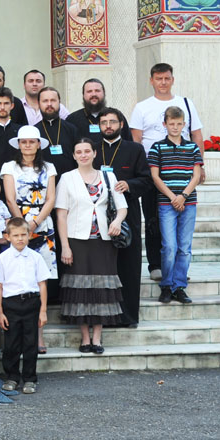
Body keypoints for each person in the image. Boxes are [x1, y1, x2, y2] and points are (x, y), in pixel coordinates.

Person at [130, 63, 203, 281]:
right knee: (153, 219)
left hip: (181, 169)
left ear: (172, 79)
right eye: (159, 78)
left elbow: (196, 134)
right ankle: (156, 265)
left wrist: (202, 166)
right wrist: (142, 170)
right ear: (151, 80)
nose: (163, 82)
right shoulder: (142, 107)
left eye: (167, 78)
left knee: (180, 223)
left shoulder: (186, 104)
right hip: (153, 170)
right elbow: (136, 139)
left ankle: (178, 270)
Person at [56, 140, 128, 355]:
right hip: (77, 240)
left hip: (104, 242)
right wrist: (65, 247)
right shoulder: (67, 179)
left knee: (101, 289)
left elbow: (122, 207)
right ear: (74, 155)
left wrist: (116, 222)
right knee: (80, 290)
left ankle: (97, 337)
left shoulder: (108, 176)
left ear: (95, 153)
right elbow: (61, 214)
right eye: (79, 152)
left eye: (87, 151)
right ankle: (84, 338)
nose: (83, 155)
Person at [95, 108, 150, 324]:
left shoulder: (134, 149)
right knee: (103, 265)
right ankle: (105, 315)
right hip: (98, 212)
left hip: (128, 213)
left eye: (112, 122)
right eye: (104, 122)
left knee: (129, 264)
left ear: (121, 124)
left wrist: (129, 184)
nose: (108, 126)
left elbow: (146, 180)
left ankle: (127, 315)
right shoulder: (92, 149)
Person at [149, 107, 203, 306]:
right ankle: (166, 285)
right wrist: (173, 197)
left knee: (184, 247)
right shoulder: (157, 147)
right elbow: (155, 176)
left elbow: (196, 175)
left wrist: (183, 196)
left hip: (188, 202)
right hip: (167, 203)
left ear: (184, 125)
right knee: (169, 246)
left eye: (178, 124)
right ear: (165, 124)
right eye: (171, 124)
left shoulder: (192, 148)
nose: (175, 127)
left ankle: (179, 286)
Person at [0, 217, 50, 394]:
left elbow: (42, 284)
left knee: (30, 343)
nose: (20, 239)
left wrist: (43, 310)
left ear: (29, 235)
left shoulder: (36, 258)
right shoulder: (2, 259)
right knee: (12, 343)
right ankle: (12, 377)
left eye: (24, 235)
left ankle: (30, 378)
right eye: (15, 235)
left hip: (32, 303)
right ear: (7, 237)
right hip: (11, 304)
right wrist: (0, 312)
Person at [68, 78, 129, 143]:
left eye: (97, 91)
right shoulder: (72, 119)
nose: (94, 94)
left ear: (104, 93)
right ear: (83, 95)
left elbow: (128, 143)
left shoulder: (116, 116)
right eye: (89, 91)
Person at [34, 86, 77, 175]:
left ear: (59, 102)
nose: (49, 104)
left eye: (53, 100)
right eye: (45, 101)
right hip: (43, 180)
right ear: (39, 104)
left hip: (69, 180)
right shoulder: (34, 131)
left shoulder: (71, 129)